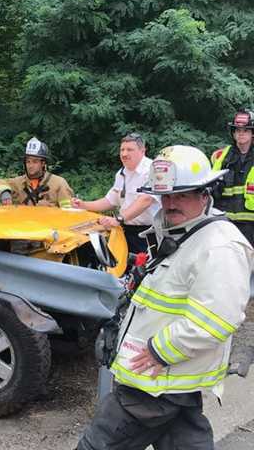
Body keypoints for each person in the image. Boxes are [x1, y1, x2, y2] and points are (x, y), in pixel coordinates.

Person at [76, 145, 253, 450]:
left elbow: (216, 318)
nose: (171, 203)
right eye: (166, 196)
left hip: (154, 383)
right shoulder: (180, 233)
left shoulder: (219, 246)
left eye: (181, 194)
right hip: (169, 382)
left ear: (204, 194)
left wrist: (160, 350)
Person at [72, 133, 160, 254]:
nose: (124, 154)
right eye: (122, 150)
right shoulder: (121, 173)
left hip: (149, 234)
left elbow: (146, 200)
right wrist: (83, 205)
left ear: (142, 151)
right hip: (125, 230)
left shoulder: (153, 170)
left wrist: (118, 219)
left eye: (130, 150)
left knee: (147, 270)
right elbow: (109, 201)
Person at [0, 137, 74, 207]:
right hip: (23, 227)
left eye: (35, 161)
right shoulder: (18, 183)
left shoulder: (59, 183)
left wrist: (50, 210)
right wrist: (4, 192)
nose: (30, 165)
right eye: (28, 161)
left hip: (50, 227)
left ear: (43, 163)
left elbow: (69, 213)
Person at [211, 108, 254, 245]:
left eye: (246, 130)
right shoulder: (222, 156)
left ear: (252, 133)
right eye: (238, 130)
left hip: (251, 224)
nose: (241, 134)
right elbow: (212, 184)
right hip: (225, 223)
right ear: (233, 133)